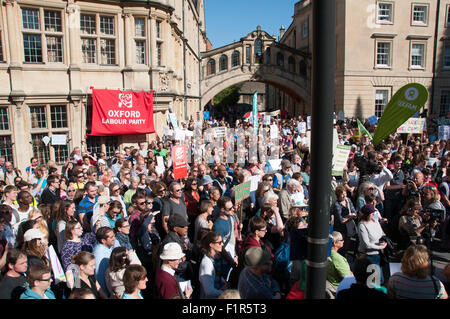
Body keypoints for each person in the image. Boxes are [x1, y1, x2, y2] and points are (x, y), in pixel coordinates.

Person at [357, 204, 387, 284]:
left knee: (380, 279)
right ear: (367, 214)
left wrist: (383, 241)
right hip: (369, 256)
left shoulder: (375, 221)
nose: (374, 214)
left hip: (379, 255)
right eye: (372, 213)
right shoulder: (362, 225)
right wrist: (380, 247)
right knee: (374, 280)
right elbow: (366, 244)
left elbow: (381, 233)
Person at [198, 231, 228, 299]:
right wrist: (225, 294)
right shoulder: (207, 263)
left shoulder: (215, 258)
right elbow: (209, 291)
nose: (222, 244)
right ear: (211, 244)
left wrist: (224, 282)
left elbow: (216, 276)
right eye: (220, 242)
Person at [93, 226, 120, 295]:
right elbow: (100, 277)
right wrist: (107, 295)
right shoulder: (100, 255)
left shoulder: (107, 246)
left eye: (114, 236)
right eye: (111, 237)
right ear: (103, 240)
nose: (114, 239)